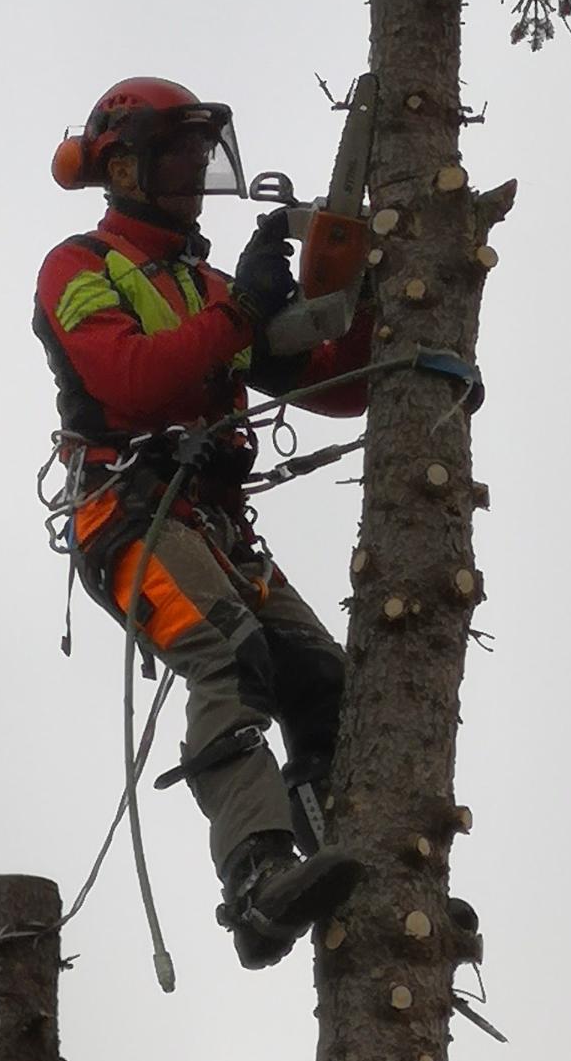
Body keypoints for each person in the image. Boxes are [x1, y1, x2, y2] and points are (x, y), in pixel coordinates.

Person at [33, 77, 375, 969]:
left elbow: (330, 385)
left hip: (213, 526)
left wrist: (373, 302)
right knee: (228, 655)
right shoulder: (80, 268)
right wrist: (243, 311)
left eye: (200, 153)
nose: (193, 170)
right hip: (126, 515)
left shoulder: (211, 285)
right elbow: (130, 383)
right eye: (177, 152)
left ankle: (342, 850)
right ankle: (257, 882)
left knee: (324, 678)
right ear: (122, 163)